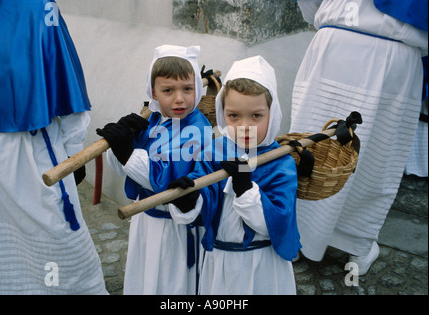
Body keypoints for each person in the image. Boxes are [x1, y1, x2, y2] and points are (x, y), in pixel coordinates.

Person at [289, 0, 428, 275]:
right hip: (350, 38)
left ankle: (354, 241)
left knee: (372, 155)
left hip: (374, 41)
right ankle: (301, 234)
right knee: (316, 149)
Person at [0, 0, 107, 294]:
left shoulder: (37, 7)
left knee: (58, 240)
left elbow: (63, 76)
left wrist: (74, 153)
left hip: (32, 150)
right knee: (0, 254)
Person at [167, 56, 301, 295]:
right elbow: (203, 204)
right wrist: (188, 200)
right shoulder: (214, 152)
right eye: (234, 116)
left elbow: (275, 223)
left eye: (256, 116)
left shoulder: (281, 162)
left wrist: (244, 188)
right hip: (219, 262)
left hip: (262, 264)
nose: (244, 126)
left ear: (273, 113)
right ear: (221, 113)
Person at [98, 45, 211, 294]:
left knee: (169, 284)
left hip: (174, 226)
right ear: (154, 93)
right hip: (146, 220)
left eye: (187, 89)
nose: (179, 98)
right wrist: (118, 146)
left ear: (197, 90)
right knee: (145, 276)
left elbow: (165, 179)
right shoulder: (154, 119)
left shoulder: (196, 128)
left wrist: (127, 151)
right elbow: (126, 169)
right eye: (168, 90)